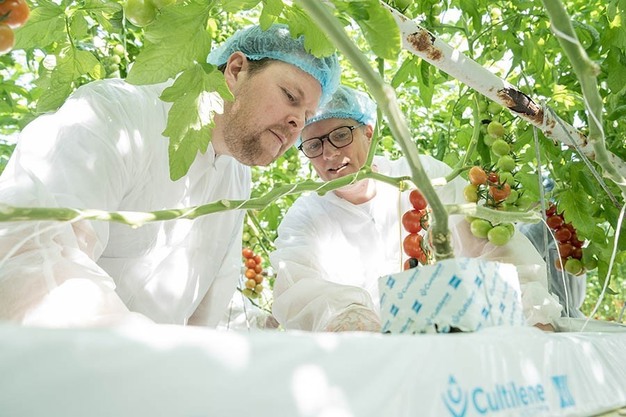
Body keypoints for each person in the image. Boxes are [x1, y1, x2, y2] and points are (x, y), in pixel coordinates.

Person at [0, 23, 340, 327]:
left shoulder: (237, 179)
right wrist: (133, 346)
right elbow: (31, 253)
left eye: (307, 115)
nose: (297, 122)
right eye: (290, 96)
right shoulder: (118, 114)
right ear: (236, 69)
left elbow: (209, 309)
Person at [269, 85, 563, 332]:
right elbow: (297, 287)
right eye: (313, 146)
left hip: (457, 345)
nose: (330, 153)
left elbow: (497, 248)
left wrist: (532, 312)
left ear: (368, 133)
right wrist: (351, 319)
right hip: (368, 361)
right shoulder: (305, 216)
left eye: (341, 135)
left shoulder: (423, 177)